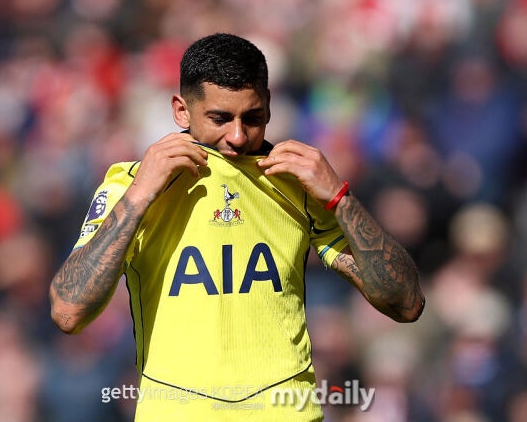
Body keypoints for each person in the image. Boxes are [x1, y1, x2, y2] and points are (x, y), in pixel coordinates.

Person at [49, 33, 425, 421]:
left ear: (269, 106)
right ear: (181, 110)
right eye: (220, 118)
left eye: (253, 118)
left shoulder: (297, 182)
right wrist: (140, 195)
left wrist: (340, 199)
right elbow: (68, 311)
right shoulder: (132, 185)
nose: (237, 136)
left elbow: (406, 303)